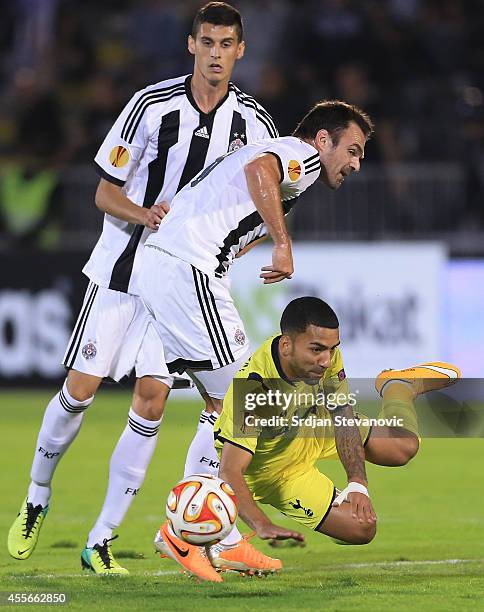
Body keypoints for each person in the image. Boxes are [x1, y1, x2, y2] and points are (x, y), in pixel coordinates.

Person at [8, 2, 278, 575]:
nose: (214, 53)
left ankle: (100, 541)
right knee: (79, 391)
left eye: (225, 44)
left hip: (182, 285)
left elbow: (267, 201)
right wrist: (143, 212)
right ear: (191, 45)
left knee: (152, 400)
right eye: (206, 41)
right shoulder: (152, 106)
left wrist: (239, 244)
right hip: (123, 272)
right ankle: (36, 496)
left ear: (239, 51)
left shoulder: (254, 125)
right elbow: (104, 192)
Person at [137, 100, 374, 580]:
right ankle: (195, 535)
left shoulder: (283, 161)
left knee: (219, 408)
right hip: (187, 269)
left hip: (168, 264)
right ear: (323, 140)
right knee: (243, 400)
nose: (354, 163)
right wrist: (283, 242)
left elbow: (237, 202)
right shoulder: (298, 156)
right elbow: (258, 168)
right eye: (352, 150)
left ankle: (199, 533)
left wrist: (252, 239)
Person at [209, 297, 460, 561]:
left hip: (314, 426)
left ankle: (398, 386)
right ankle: (329, 516)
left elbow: (342, 414)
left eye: (332, 349)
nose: (327, 360)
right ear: (286, 346)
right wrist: (262, 524)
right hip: (277, 472)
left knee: (403, 448)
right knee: (362, 529)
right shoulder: (254, 389)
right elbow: (230, 470)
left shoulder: (326, 355)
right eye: (317, 350)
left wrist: (358, 483)